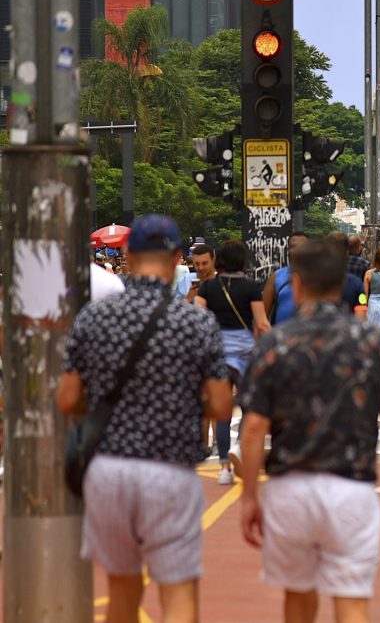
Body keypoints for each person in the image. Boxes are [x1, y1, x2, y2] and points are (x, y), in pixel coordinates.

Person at [58, 214, 233, 622]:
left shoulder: (95, 317)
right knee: (178, 592)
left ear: (128, 255)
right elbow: (222, 405)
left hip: (108, 470)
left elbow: (67, 399)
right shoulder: (195, 321)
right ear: (177, 259)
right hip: (170, 470)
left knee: (122, 586)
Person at [237, 238, 380, 623]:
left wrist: (249, 496)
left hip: (289, 489)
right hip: (352, 489)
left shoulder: (275, 344)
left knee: (298, 600)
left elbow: (252, 429)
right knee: (352, 603)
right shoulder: (372, 342)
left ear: (296, 285)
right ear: (345, 285)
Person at [195, 240, 271, 484]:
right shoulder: (250, 287)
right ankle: (239, 447)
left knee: (222, 412)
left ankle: (224, 469)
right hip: (246, 352)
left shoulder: (207, 288)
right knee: (250, 406)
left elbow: (197, 319)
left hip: (218, 353)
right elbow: (261, 323)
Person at [263, 231, 310, 325]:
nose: (298, 250)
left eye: (302, 246)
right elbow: (262, 315)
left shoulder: (321, 277)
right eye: (293, 246)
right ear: (287, 251)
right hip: (281, 337)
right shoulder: (276, 277)